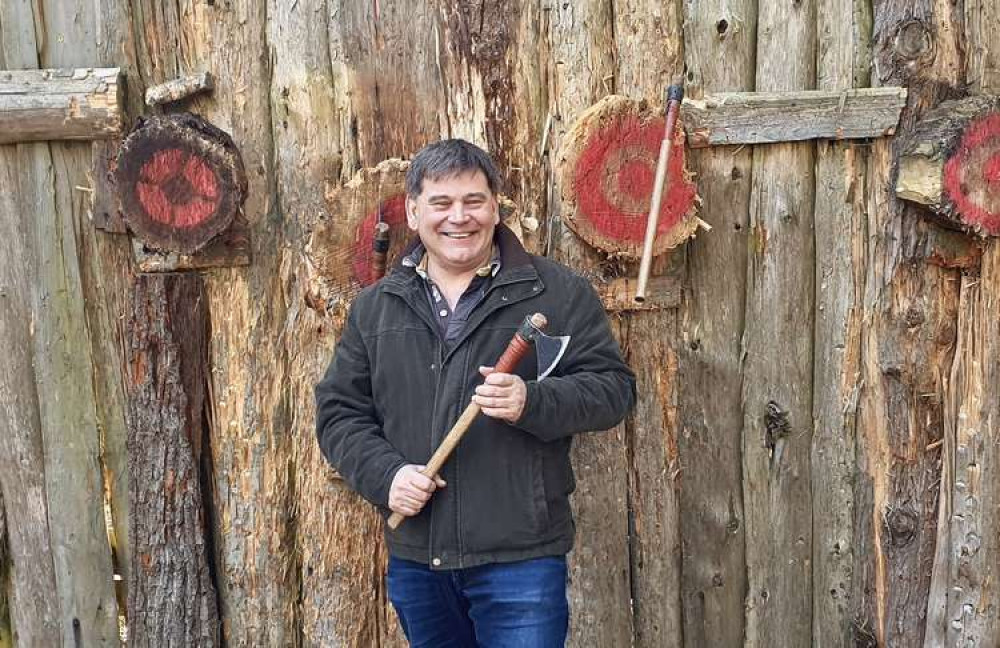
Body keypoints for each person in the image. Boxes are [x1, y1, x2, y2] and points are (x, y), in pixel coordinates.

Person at [315, 138, 636, 647]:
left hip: (520, 559)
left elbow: (614, 391)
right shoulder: (376, 308)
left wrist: (532, 401)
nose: (458, 218)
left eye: (473, 201)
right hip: (419, 560)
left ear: (495, 206)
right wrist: (387, 475)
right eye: (441, 203)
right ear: (415, 211)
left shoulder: (556, 292)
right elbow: (339, 414)